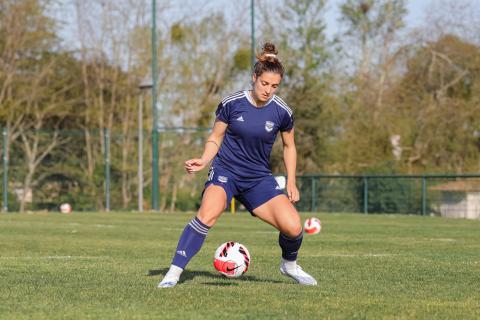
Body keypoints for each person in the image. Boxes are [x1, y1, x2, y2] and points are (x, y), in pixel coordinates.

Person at [158, 43, 317, 288]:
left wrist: (292, 181)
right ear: (254, 78)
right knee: (207, 215)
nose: (268, 90)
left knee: (294, 227)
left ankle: (289, 266)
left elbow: (289, 146)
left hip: (258, 178)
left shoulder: (282, 111)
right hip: (226, 172)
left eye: (274, 86)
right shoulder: (231, 103)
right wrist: (204, 159)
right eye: (264, 84)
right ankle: (174, 273)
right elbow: (216, 137)